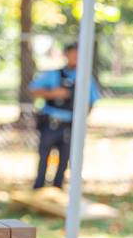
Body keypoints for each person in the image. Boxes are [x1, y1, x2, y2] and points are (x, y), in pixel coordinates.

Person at [29, 41, 101, 189]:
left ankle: (57, 188)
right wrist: (52, 94)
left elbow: (92, 102)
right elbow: (33, 90)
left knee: (64, 160)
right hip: (50, 124)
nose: (75, 57)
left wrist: (82, 120)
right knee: (44, 158)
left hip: (70, 125)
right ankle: (39, 188)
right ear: (66, 55)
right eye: (72, 54)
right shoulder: (53, 74)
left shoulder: (85, 78)